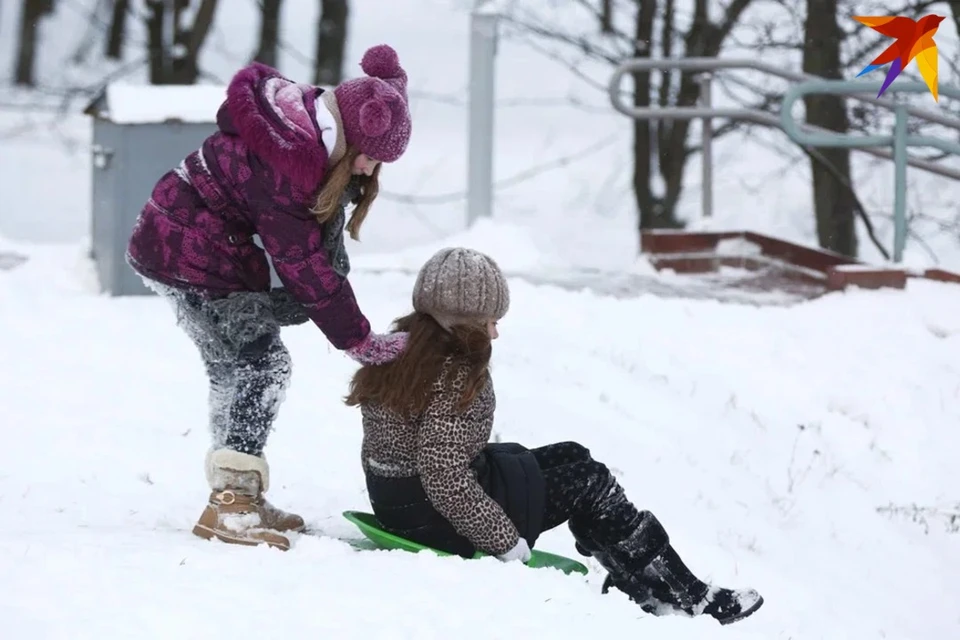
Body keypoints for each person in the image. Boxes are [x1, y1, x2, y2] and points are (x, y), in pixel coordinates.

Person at [344, 247, 764, 625]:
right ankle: (684, 597)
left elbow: (408, 453)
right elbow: (443, 472)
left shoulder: (403, 352)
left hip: (400, 500)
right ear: (464, 321)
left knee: (573, 456)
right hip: (434, 519)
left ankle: (637, 580)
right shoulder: (454, 371)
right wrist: (504, 542)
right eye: (490, 322)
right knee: (589, 481)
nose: (495, 334)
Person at [126, 44, 413, 551]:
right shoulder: (290, 164)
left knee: (233, 369)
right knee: (261, 366)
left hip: (186, 246)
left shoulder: (300, 135)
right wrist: (359, 339)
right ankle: (233, 506)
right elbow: (303, 265)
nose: (369, 172)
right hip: (188, 253)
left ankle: (237, 496)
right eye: (370, 158)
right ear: (353, 134)